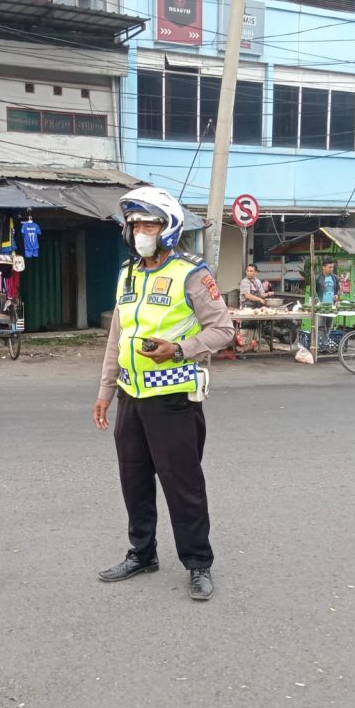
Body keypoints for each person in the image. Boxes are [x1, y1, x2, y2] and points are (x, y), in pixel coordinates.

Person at [93, 187, 234, 602]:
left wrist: (180, 349)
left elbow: (223, 330)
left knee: (183, 485)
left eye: (148, 224)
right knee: (133, 480)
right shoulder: (128, 273)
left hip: (173, 400)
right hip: (130, 397)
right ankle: (142, 553)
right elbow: (117, 337)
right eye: (135, 224)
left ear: (167, 228)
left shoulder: (192, 273)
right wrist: (105, 390)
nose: (140, 232)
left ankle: (198, 563)